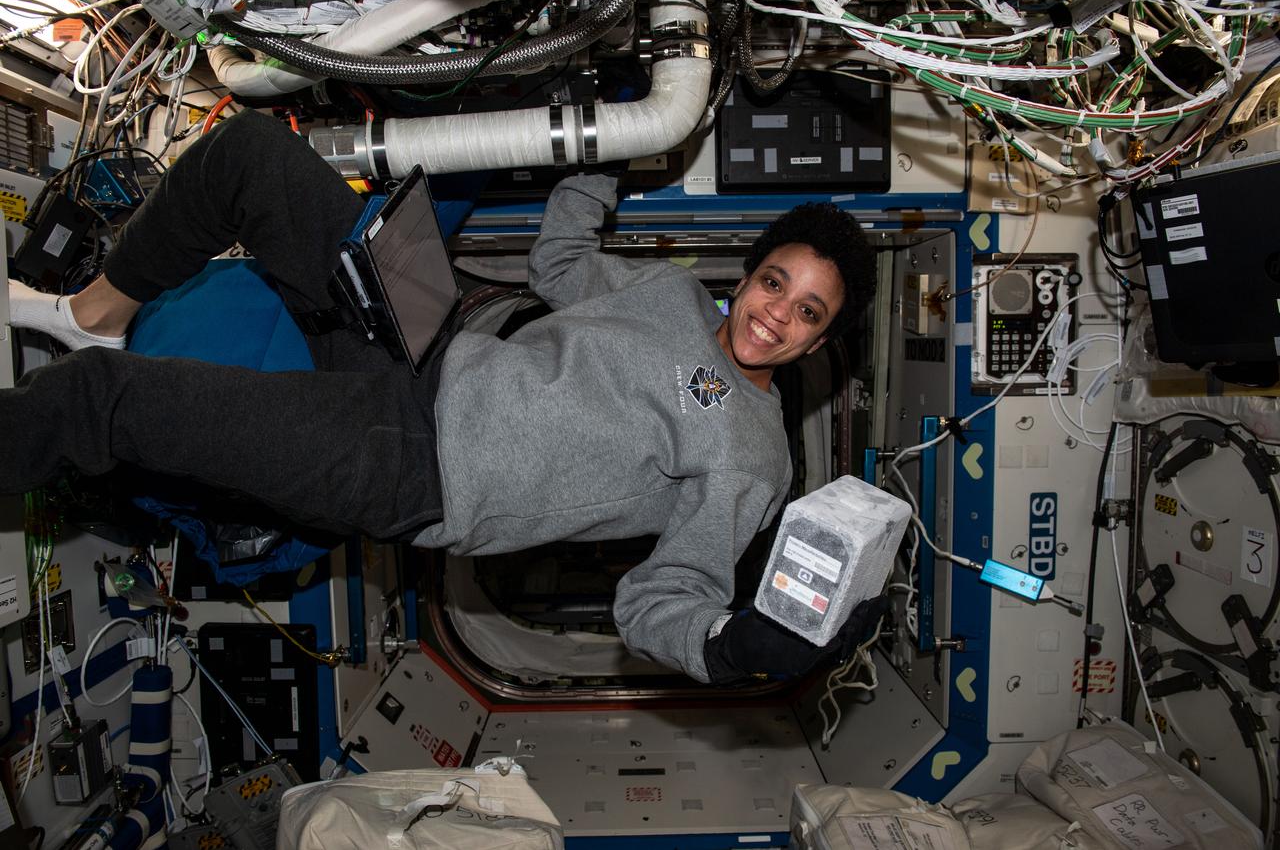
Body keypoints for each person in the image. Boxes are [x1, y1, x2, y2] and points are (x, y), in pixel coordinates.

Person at [2, 109, 883, 684]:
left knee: (107, 402)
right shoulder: (676, 300)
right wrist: (609, 150)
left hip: (423, 467)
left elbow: (660, 598)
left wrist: (723, 647)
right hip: (433, 329)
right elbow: (561, 267)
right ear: (752, 273)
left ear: (823, 341)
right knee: (248, 155)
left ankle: (83, 371)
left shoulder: (753, 454)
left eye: (808, 313)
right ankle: (94, 311)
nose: (777, 317)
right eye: (774, 283)